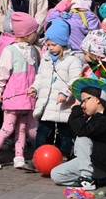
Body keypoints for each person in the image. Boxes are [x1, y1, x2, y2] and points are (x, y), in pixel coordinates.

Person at [0, 14, 40, 170]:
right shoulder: (10, 50)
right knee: (7, 128)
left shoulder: (33, 51)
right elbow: (2, 73)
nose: (36, 34)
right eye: (34, 31)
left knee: (22, 128)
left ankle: (19, 155)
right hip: (14, 96)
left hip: (27, 98)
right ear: (26, 33)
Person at [30, 18, 84, 162]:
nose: (50, 48)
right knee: (42, 132)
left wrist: (65, 94)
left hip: (62, 106)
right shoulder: (46, 58)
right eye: (48, 45)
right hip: (47, 104)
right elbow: (40, 76)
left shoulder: (73, 60)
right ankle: (38, 157)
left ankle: (65, 155)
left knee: (64, 133)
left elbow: (75, 80)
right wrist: (35, 87)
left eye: (54, 44)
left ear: (63, 43)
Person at [50, 85, 106, 190]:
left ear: (97, 100)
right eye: (81, 102)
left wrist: (76, 109)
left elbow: (82, 132)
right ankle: (99, 180)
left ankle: (87, 178)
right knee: (56, 174)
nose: (82, 106)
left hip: (103, 163)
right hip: (87, 162)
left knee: (82, 138)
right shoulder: (88, 117)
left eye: (84, 101)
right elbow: (72, 131)